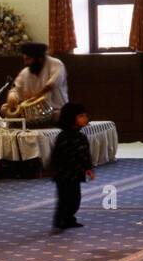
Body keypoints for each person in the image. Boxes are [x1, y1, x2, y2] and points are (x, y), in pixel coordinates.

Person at [50, 101, 95, 230]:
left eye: (85, 116)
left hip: (76, 174)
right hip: (64, 175)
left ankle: (70, 218)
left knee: (75, 199)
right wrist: (56, 170)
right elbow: (57, 156)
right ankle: (60, 220)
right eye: (81, 116)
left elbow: (86, 155)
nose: (85, 118)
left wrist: (88, 168)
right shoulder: (63, 137)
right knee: (64, 199)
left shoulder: (81, 137)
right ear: (71, 118)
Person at [6, 42, 67, 126]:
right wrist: (12, 96)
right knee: (5, 110)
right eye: (25, 59)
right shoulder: (25, 72)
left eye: (28, 59)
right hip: (33, 117)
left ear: (39, 59)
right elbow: (15, 88)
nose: (25, 63)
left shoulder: (56, 64)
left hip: (57, 114)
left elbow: (51, 84)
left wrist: (34, 98)